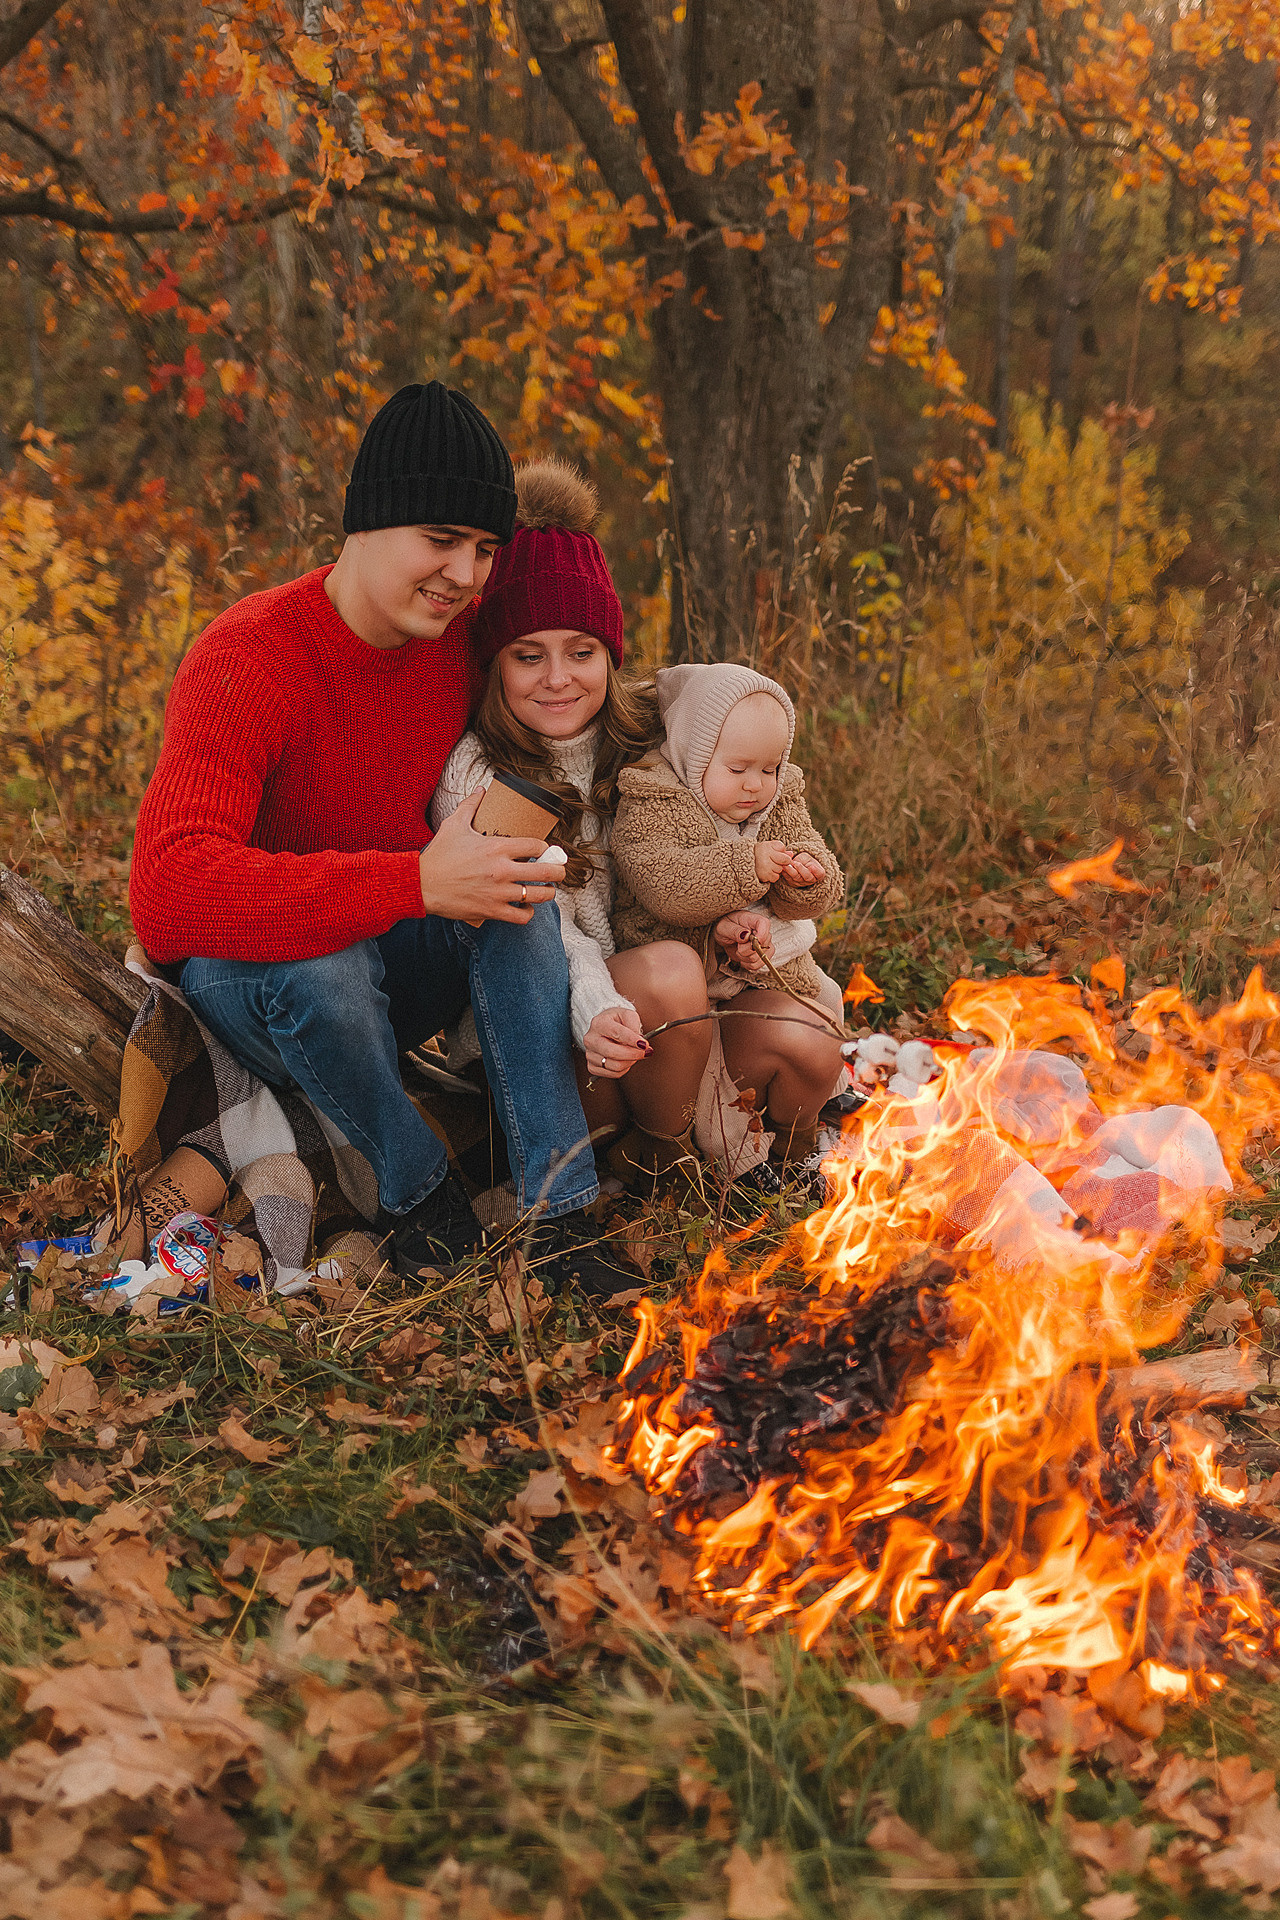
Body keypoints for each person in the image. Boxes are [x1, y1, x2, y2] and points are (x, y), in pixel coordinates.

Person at [129, 381, 612, 1289]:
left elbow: (574, 666)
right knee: (326, 965)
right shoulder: (250, 655)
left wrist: (727, 722)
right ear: (367, 522)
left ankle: (561, 1213)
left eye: (481, 549)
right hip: (261, 980)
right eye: (440, 541)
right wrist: (413, 885)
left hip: (397, 954)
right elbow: (166, 891)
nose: (465, 575)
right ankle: (415, 1190)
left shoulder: (459, 642)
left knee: (517, 888)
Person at [429, 457, 714, 1176]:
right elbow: (538, 922)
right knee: (669, 976)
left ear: (609, 655)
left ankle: (654, 1164)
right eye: (529, 656)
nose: (558, 679)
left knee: (780, 1033)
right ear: (495, 664)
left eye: (581, 652)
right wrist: (594, 1006)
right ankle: (651, 1173)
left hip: (639, 1020)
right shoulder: (478, 770)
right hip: (546, 1029)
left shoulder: (647, 736)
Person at [610, 662, 847, 1172]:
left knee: (821, 1030)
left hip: (749, 983)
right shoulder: (652, 800)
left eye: (769, 769)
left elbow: (814, 862)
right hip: (669, 1007)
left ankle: (791, 1149)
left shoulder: (778, 797)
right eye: (738, 769)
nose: (755, 786)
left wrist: (806, 878)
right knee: (701, 1073)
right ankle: (675, 1158)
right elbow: (665, 884)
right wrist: (747, 866)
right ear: (695, 755)